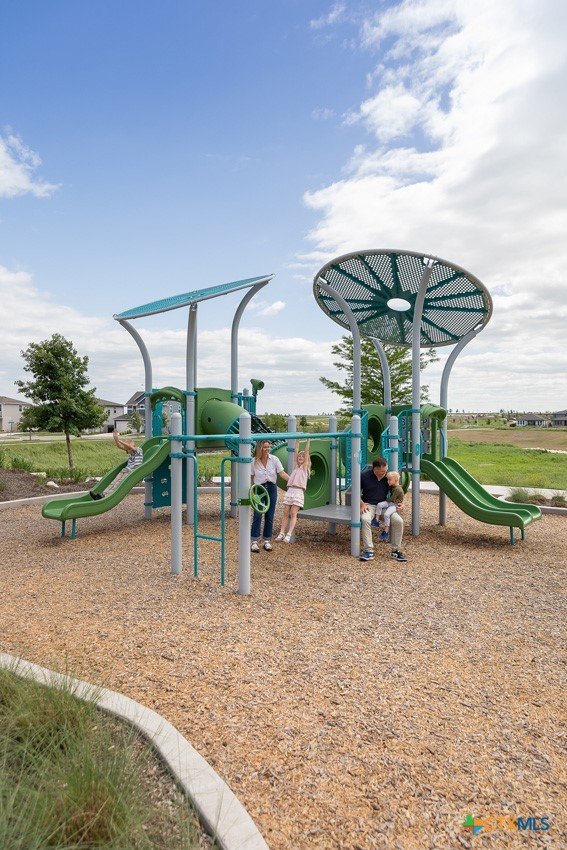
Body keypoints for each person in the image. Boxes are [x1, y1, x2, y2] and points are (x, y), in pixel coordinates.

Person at [359, 457, 407, 562]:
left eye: (386, 470)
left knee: (399, 521)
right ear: (375, 469)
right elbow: (355, 493)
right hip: (369, 505)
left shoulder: (388, 478)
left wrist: (401, 504)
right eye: (382, 471)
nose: (385, 473)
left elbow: (398, 492)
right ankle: (369, 551)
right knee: (365, 519)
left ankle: (396, 551)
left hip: (385, 506)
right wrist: (362, 504)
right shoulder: (364, 476)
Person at [250, 440, 289, 552]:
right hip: (259, 489)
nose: (267, 449)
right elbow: (251, 477)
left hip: (271, 489)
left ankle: (267, 540)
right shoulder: (254, 461)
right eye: (264, 447)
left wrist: (293, 480)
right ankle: (254, 541)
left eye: (268, 447)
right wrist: (252, 493)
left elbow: (282, 473)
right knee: (257, 514)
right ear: (259, 448)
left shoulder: (274, 459)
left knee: (270, 515)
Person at [89, 429, 144, 499]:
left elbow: (131, 447)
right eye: (126, 449)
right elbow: (120, 446)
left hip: (131, 472)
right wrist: (115, 438)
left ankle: (104, 495)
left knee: (117, 481)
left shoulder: (139, 450)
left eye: (127, 448)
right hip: (127, 470)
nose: (127, 450)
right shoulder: (130, 451)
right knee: (115, 481)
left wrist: (119, 440)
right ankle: (102, 494)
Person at [276, 439, 311, 543]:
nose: (300, 457)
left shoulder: (305, 467)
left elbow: (307, 451)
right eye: (299, 457)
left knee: (293, 512)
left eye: (302, 457)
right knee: (286, 512)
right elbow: (296, 450)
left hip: (298, 491)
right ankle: (281, 532)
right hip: (290, 490)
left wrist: (308, 440)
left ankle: (289, 533)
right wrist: (297, 440)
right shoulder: (296, 467)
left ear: (306, 460)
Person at [375, 470, 404, 542]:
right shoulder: (393, 486)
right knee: (379, 505)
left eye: (389, 480)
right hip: (391, 502)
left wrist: (385, 499)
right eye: (387, 479)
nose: (388, 481)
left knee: (387, 514)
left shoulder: (397, 489)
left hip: (395, 504)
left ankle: (386, 531)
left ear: (396, 480)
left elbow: (392, 498)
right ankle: (376, 520)